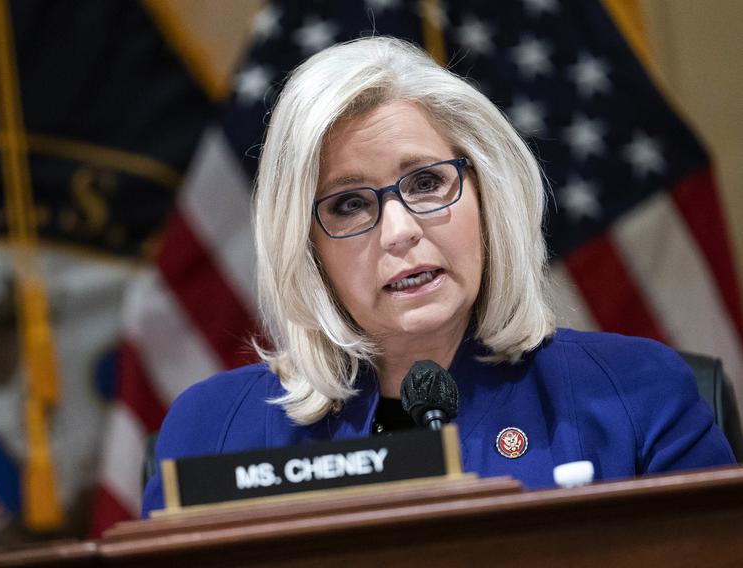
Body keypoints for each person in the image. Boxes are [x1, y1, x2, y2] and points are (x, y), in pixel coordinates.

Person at [141, 36, 735, 517]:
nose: (398, 230)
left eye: (426, 183)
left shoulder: (637, 396)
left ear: (485, 194)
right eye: (349, 204)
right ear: (307, 248)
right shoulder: (211, 432)